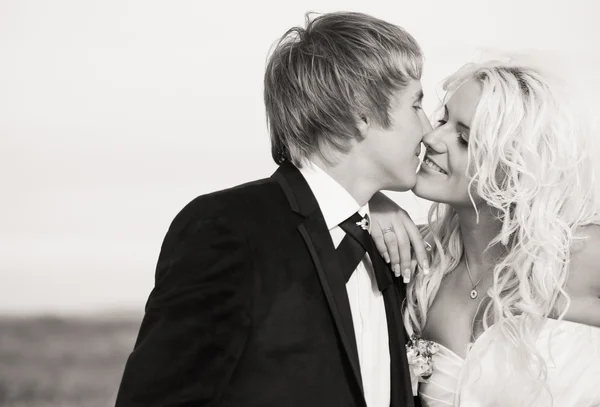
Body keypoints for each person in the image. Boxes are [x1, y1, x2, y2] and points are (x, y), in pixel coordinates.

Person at [115, 11, 431, 407]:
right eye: (416, 105)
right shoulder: (228, 229)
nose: (429, 127)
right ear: (360, 114)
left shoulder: (389, 249)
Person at [372, 60, 600, 406]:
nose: (431, 139)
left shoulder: (577, 256)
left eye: (463, 138)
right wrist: (368, 205)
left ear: (515, 166)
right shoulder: (422, 264)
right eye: (441, 121)